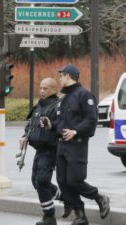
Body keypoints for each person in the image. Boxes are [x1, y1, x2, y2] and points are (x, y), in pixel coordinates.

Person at [53, 64, 110, 225]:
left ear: (69, 76)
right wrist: (51, 125)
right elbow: (60, 122)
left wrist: (75, 131)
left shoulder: (84, 95)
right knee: (63, 183)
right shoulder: (63, 98)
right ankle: (80, 216)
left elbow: (91, 120)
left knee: (74, 180)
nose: (60, 78)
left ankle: (99, 197)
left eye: (61, 75)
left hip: (77, 145)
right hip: (62, 145)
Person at [19, 78, 59, 225]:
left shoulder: (56, 107)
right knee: (36, 182)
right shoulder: (38, 106)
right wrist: (24, 137)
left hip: (51, 149)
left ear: (54, 90)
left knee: (42, 181)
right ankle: (64, 196)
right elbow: (30, 124)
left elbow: (59, 126)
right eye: (41, 88)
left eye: (45, 88)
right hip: (39, 149)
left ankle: (49, 217)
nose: (41, 91)